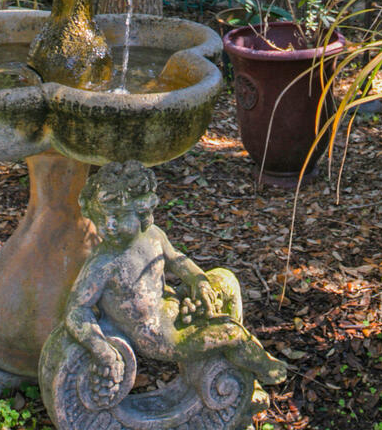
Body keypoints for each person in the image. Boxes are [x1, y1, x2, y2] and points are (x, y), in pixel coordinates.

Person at [59, 161, 285, 399]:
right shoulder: (104, 263)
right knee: (232, 334)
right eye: (100, 218)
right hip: (160, 337)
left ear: (143, 212)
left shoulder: (154, 236)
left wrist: (198, 281)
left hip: (174, 307)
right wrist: (101, 349)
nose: (109, 226)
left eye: (118, 216)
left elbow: (177, 260)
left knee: (224, 280)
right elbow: (76, 309)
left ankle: (234, 366)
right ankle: (260, 369)